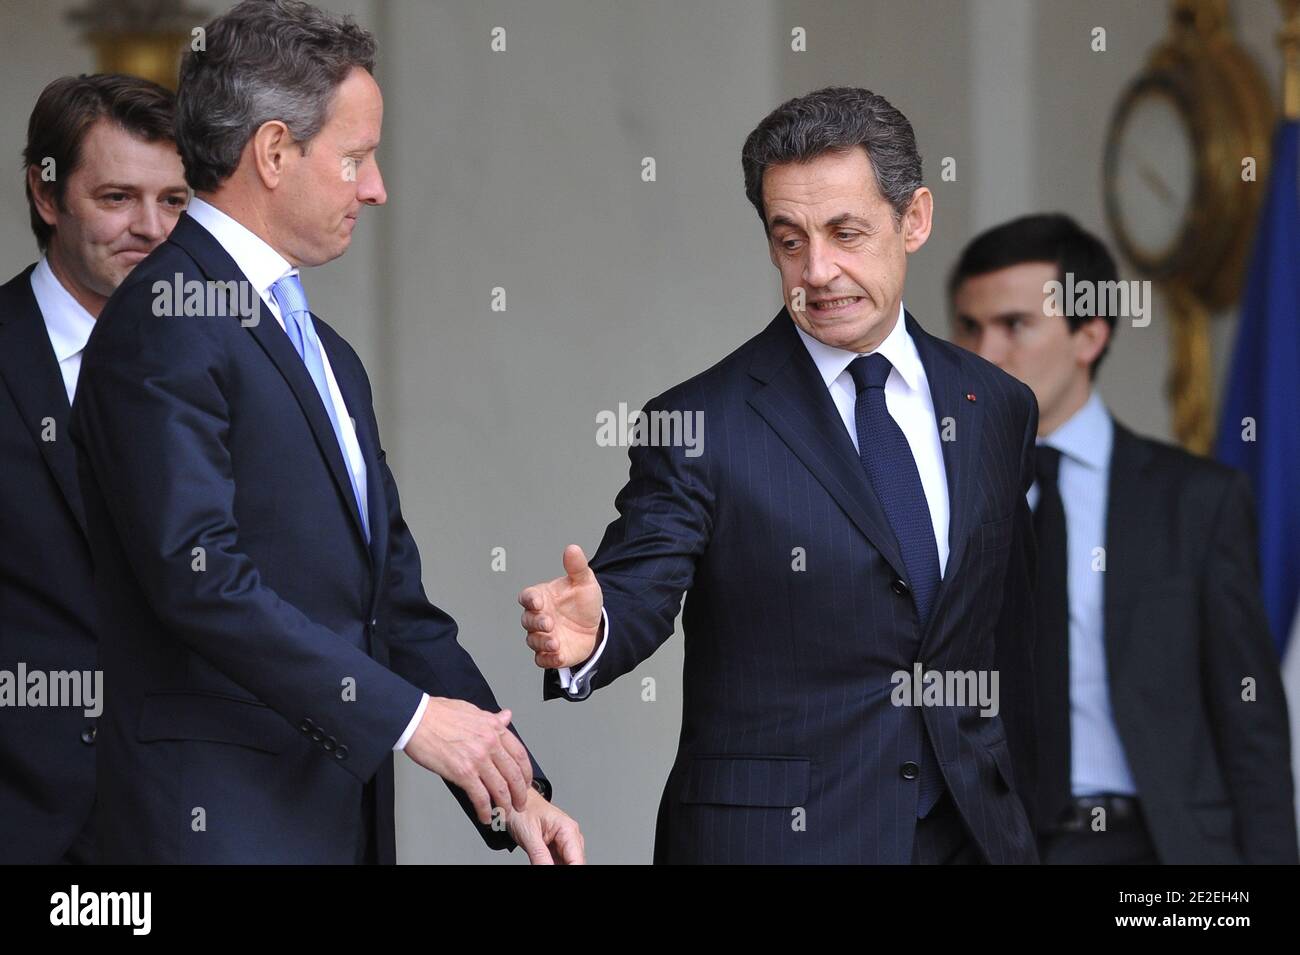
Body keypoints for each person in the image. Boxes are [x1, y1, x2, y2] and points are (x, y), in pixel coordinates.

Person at [70, 0, 582, 864]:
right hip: (210, 831)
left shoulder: (328, 354)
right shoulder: (163, 315)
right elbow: (200, 578)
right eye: (356, 158)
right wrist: (412, 719)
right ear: (274, 152)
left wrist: (512, 787)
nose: (376, 187)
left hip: (329, 823)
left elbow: (394, 606)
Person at [517, 86, 1040, 864]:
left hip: (972, 835)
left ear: (916, 219)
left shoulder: (996, 404)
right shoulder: (700, 422)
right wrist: (595, 630)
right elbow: (640, 581)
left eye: (846, 232)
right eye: (789, 239)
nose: (817, 270)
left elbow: (1008, 631)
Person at [949, 212, 1297, 864]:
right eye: (969, 326)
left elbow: (1251, 730)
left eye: (1015, 325)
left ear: (1089, 334)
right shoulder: (926, 499)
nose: (983, 353)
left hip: (1157, 850)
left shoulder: (1196, 502)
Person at [0, 73, 188, 864]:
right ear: (46, 197)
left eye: (174, 201)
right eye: (117, 197)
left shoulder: (240, 366)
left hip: (196, 821)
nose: (151, 228)